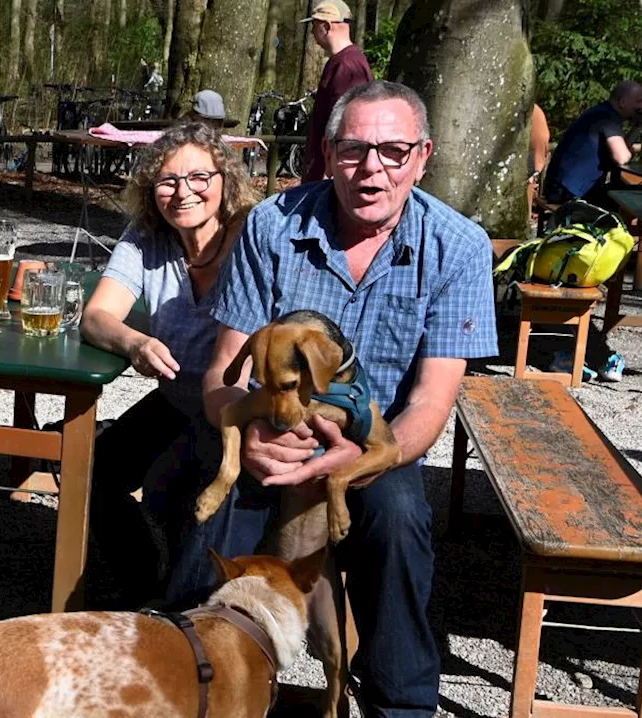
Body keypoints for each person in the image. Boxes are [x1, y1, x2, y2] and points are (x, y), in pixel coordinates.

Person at [165, 80, 498, 717]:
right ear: (327, 152)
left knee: (400, 522)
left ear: (422, 157)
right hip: (270, 432)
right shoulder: (271, 224)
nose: (371, 169)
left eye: (393, 152)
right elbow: (222, 376)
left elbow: (430, 403)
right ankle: (186, 675)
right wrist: (254, 440)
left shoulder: (458, 247)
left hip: (377, 445)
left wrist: (354, 458)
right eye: (353, 151)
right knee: (214, 495)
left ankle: (398, 704)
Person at [80, 122, 259, 609]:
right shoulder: (147, 238)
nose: (183, 192)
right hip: (178, 398)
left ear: (226, 180)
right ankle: (145, 587)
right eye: (167, 180)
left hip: (238, 408)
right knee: (95, 468)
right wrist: (135, 342)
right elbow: (96, 317)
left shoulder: (254, 236)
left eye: (199, 177)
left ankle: (190, 613)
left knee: (175, 486)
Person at [543, 80, 642, 206]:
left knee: (627, 194)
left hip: (561, 188)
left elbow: (622, 150)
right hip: (568, 192)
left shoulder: (602, 112)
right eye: (638, 101)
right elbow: (621, 157)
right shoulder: (607, 117)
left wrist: (639, 126)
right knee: (635, 199)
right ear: (622, 102)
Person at [301, 0, 373, 183]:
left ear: (326, 26)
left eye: (314, 25)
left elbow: (347, 126)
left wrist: (329, 172)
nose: (312, 32)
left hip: (331, 178)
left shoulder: (347, 66)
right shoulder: (343, 61)